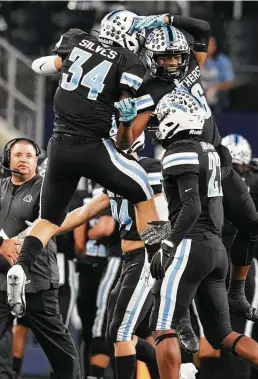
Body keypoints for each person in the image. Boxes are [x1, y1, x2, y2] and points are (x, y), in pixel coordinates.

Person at [7, 9, 159, 314]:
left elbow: (43, 66)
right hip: (93, 146)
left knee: (48, 220)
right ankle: (160, 253)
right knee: (142, 187)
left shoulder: (76, 39)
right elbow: (126, 99)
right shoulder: (128, 61)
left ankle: (21, 267)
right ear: (126, 35)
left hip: (59, 145)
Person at [119, 14, 258, 323]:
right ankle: (175, 316)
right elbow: (130, 137)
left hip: (219, 164)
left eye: (176, 55)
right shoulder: (148, 90)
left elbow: (204, 29)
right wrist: (126, 111)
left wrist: (167, 18)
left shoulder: (193, 68)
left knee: (249, 223)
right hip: (183, 168)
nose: (171, 62)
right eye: (164, 56)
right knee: (174, 234)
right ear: (152, 58)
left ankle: (236, 294)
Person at [141, 89, 258, 379]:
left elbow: (191, 208)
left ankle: (178, 323)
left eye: (164, 117)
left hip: (191, 247)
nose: (158, 123)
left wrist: (168, 242)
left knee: (161, 326)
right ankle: (183, 320)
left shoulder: (178, 152)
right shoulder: (211, 151)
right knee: (224, 336)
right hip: (217, 250)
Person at [0, 138, 81, 379]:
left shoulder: (48, 190)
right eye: (17, 155)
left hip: (36, 280)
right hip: (2, 280)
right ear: (7, 159)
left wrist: (10, 243)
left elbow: (43, 227)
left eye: (28, 156)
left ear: (37, 161)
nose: (22, 159)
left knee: (60, 351)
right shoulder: (0, 186)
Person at [200, 36, 234, 117]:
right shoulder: (195, 59)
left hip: (215, 97)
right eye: (207, 44)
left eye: (212, 44)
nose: (210, 47)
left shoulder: (222, 60)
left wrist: (212, 87)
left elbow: (229, 83)